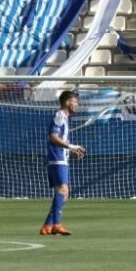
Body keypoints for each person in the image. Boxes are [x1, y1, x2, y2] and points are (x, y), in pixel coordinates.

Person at [41, 91, 85, 235]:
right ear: (67, 102)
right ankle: (57, 225)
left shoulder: (64, 118)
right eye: (75, 101)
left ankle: (47, 225)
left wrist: (70, 152)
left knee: (65, 193)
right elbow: (53, 137)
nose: (77, 104)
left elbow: (58, 140)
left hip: (61, 158)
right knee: (62, 190)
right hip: (56, 158)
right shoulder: (60, 115)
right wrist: (72, 146)